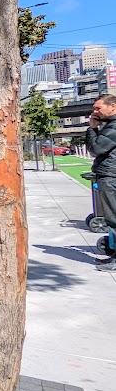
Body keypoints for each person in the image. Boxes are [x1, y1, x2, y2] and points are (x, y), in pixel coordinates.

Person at [87, 94, 116, 272]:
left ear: (112, 107)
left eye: (98, 108)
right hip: (109, 176)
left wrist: (92, 129)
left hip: (111, 177)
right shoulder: (110, 125)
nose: (95, 112)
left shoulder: (113, 127)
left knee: (114, 218)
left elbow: (96, 148)